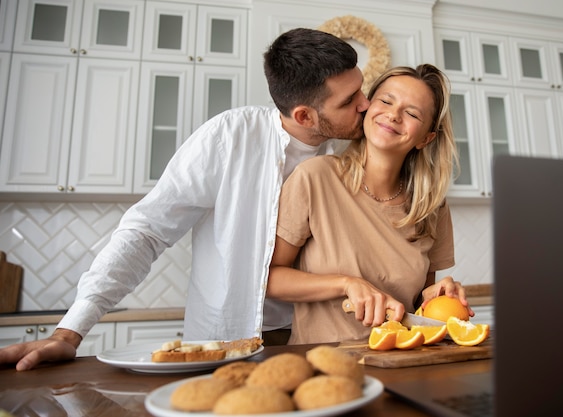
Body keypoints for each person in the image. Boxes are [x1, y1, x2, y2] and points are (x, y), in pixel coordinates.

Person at [0, 28, 369, 371]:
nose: (366, 105)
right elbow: (147, 231)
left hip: (324, 337)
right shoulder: (229, 138)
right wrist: (70, 331)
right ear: (304, 115)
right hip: (229, 339)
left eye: (362, 90)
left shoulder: (363, 149)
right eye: (350, 100)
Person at [266, 64, 473, 344]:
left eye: (412, 113)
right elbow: (269, 279)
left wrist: (436, 294)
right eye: (386, 101)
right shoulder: (316, 177)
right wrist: (346, 283)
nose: (393, 114)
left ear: (426, 138)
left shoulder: (431, 206)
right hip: (324, 364)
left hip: (402, 360)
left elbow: (422, 303)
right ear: (368, 107)